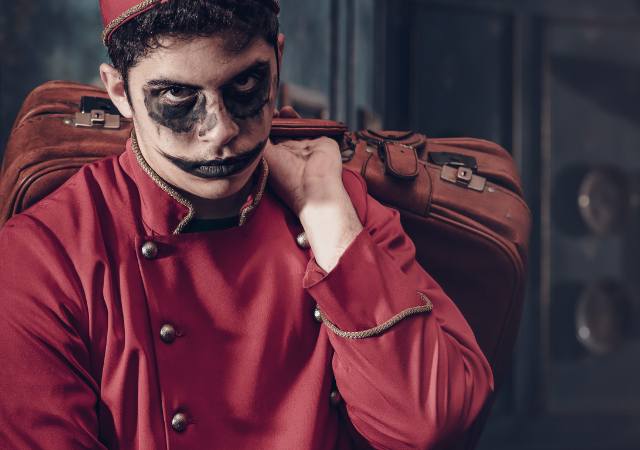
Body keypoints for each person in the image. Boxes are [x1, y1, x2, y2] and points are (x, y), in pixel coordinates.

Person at [0, 0, 493, 448]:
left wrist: (324, 210)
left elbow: (430, 424)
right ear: (118, 92)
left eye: (244, 85)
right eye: (177, 94)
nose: (221, 130)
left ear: (278, 59)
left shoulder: (343, 206)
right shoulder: (43, 258)